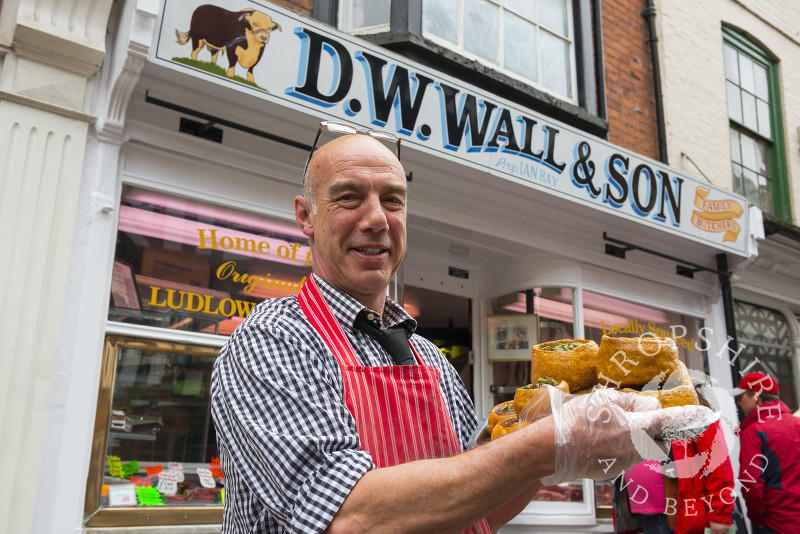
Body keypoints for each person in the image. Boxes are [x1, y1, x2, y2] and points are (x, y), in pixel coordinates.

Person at [210, 123, 712, 534]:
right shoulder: (272, 340)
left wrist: (565, 453)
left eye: (393, 199)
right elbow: (352, 517)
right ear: (306, 216)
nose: (377, 219)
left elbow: (477, 507)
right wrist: (546, 444)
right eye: (348, 197)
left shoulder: (430, 359)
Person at [732, 372, 800, 534]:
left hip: (776, 524)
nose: (739, 403)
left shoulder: (754, 432)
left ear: (756, 397)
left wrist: (758, 520)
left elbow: (751, 484)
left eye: (742, 397)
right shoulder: (797, 425)